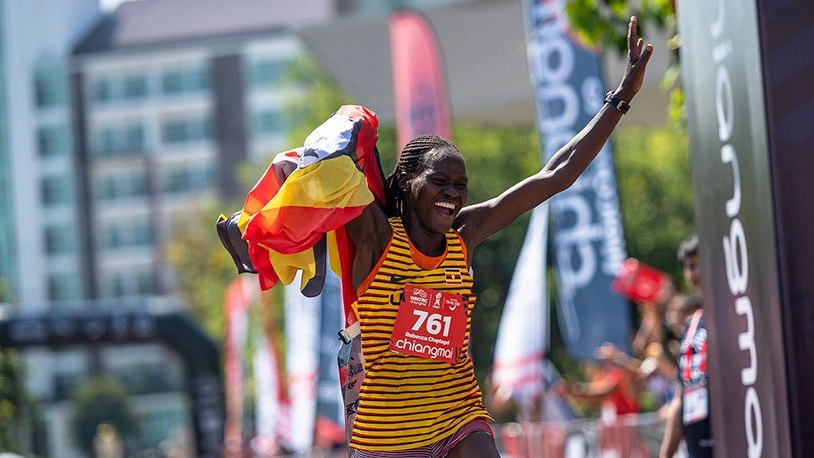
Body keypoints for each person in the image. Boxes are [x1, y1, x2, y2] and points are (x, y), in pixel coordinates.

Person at [338, 17, 652, 457]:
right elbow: (325, 175)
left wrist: (620, 99)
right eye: (440, 182)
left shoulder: (466, 233)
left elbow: (556, 175)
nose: (452, 195)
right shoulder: (376, 237)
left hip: (460, 419)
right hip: (388, 439)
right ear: (407, 181)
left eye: (460, 186)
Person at [659, 235, 714, 458]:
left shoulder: (731, 315)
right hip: (697, 448)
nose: (694, 273)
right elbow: (682, 397)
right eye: (689, 267)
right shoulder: (690, 327)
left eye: (698, 264)